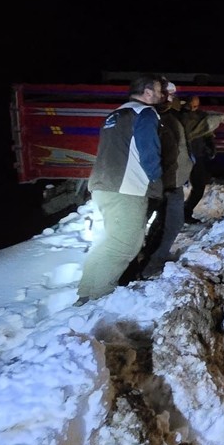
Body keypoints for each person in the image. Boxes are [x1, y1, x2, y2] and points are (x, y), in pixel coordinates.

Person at [75, 74, 163, 304]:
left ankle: (87, 292)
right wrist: (156, 180)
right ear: (147, 92)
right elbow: (149, 151)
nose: (161, 95)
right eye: (158, 90)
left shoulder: (115, 114)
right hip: (126, 187)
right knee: (125, 244)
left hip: (102, 184)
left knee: (110, 240)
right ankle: (100, 297)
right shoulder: (145, 113)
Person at [137, 80, 192, 278]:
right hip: (162, 184)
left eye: (172, 95)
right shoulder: (152, 119)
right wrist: (159, 183)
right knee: (164, 224)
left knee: (168, 223)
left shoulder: (169, 117)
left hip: (172, 182)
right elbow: (153, 155)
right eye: (166, 94)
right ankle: (147, 265)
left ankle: (150, 260)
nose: (170, 98)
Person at [179, 94, 224, 224]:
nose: (195, 107)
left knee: (199, 187)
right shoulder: (183, 117)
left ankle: (185, 213)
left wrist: (210, 145)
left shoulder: (197, 115)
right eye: (193, 104)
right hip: (188, 156)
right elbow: (200, 127)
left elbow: (206, 127)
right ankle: (181, 214)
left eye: (197, 104)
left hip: (198, 155)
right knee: (184, 189)